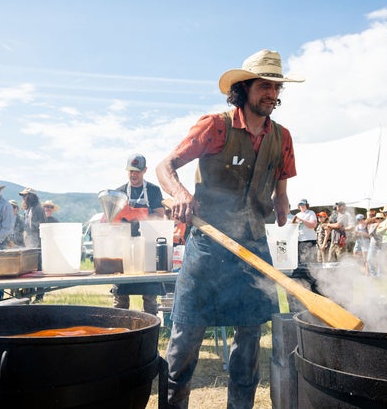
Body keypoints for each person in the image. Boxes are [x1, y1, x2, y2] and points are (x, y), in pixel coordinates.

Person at [155, 49, 302, 408]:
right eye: (264, 86)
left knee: (250, 346)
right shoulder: (216, 125)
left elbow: (281, 181)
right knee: (184, 344)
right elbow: (165, 166)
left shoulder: (281, 137)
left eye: (276, 87)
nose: (271, 94)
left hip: (252, 248)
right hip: (208, 247)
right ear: (243, 88)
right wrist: (180, 193)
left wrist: (282, 202)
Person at [113, 153, 166, 315]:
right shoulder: (119, 192)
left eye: (137, 171)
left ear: (144, 171)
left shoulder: (153, 191)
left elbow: (160, 215)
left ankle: (151, 327)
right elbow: (112, 220)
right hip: (124, 249)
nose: (133, 174)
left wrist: (140, 216)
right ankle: (119, 328)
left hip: (147, 249)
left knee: (150, 296)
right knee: (120, 296)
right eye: (130, 171)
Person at [293, 198, 318, 266]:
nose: (302, 206)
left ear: (307, 205)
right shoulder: (297, 214)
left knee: (310, 259)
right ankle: (303, 274)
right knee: (301, 259)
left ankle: (311, 275)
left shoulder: (311, 213)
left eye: (303, 204)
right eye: (300, 204)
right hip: (300, 240)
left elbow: (313, 225)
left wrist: (302, 220)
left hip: (309, 239)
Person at [366, 212, 384, 277]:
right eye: (378, 218)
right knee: (369, 259)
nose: (379, 219)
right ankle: (373, 274)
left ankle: (380, 276)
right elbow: (370, 234)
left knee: (380, 260)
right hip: (373, 245)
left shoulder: (385, 226)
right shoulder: (372, 225)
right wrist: (376, 226)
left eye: (381, 218)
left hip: (381, 245)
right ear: (376, 219)